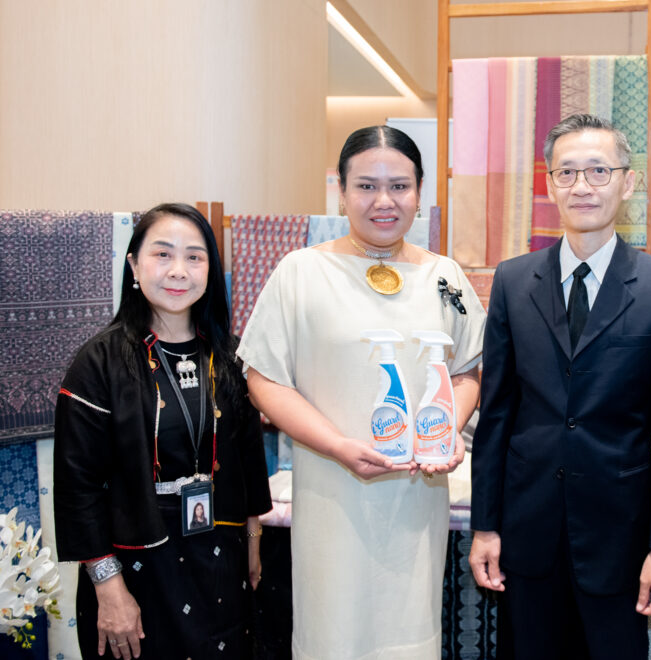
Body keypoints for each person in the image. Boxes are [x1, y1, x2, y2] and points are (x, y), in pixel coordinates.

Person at [236, 125, 486, 660]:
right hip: (333, 494)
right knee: (334, 633)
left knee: (411, 634)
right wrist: (336, 446)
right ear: (342, 192)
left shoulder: (444, 277)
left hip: (417, 496)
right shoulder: (301, 272)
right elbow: (263, 380)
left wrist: (447, 432)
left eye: (399, 186)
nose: (383, 201)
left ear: (419, 192)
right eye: (367, 186)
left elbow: (468, 372)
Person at [469, 113, 651, 660]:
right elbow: (496, 414)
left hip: (620, 539)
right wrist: (485, 527)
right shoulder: (512, 281)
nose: (582, 186)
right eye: (567, 172)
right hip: (527, 533)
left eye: (599, 171)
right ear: (550, 185)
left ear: (628, 182)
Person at [53, 203, 272, 660]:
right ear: (134, 265)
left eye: (194, 256)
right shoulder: (99, 362)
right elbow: (77, 487)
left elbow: (249, 458)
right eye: (162, 254)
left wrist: (253, 542)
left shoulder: (230, 356)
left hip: (220, 558)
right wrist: (109, 588)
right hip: (136, 568)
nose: (178, 270)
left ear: (210, 270)